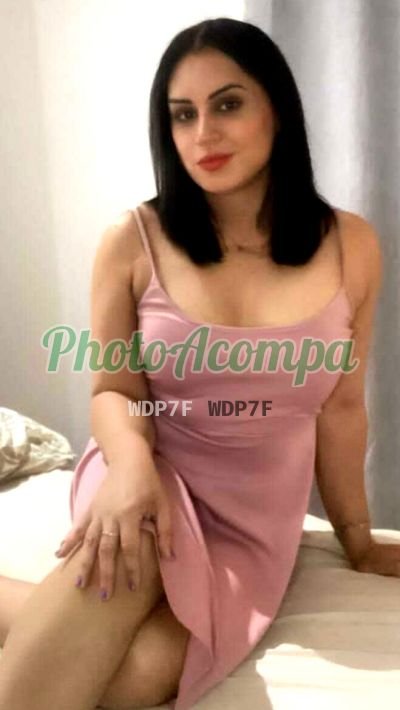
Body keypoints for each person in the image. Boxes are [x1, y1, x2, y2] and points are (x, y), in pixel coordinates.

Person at [0, 15, 397, 710]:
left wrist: (357, 541)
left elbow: (340, 408)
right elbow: (115, 389)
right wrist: (129, 469)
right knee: (122, 566)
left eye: (228, 104)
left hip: (253, 518)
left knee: (141, 676)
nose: (203, 133)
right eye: (182, 114)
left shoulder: (350, 244)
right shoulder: (132, 239)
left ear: (278, 109)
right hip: (147, 470)